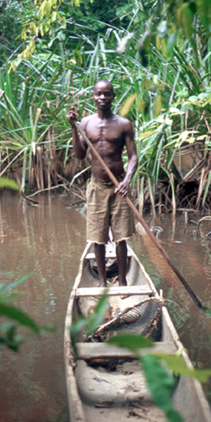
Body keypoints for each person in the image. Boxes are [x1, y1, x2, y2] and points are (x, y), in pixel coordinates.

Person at [66, 79, 138, 287]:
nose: (103, 98)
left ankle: (123, 281)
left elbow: (133, 156)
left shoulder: (124, 124)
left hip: (119, 187)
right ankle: (102, 283)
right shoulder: (86, 123)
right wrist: (73, 127)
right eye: (99, 94)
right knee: (97, 238)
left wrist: (127, 180)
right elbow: (80, 156)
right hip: (97, 186)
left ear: (113, 96)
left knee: (121, 237)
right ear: (93, 96)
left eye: (107, 94)